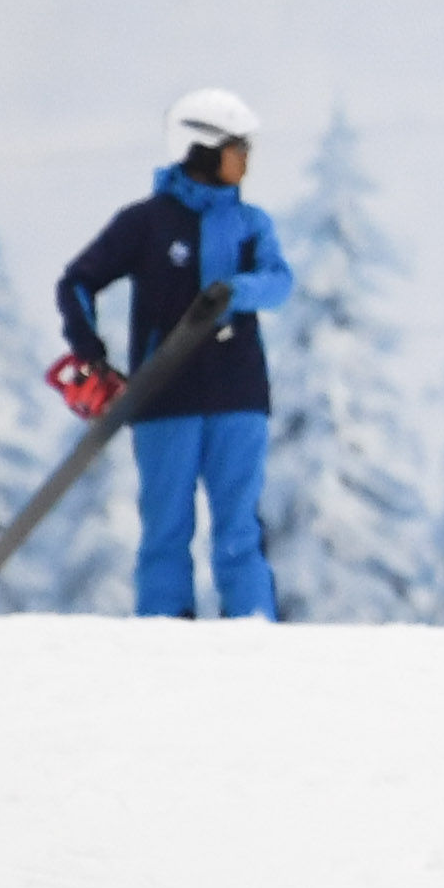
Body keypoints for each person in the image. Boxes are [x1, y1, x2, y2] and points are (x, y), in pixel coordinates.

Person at [54, 86, 294, 620]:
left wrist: (235, 292)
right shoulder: (145, 223)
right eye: (239, 147)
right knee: (166, 530)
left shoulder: (252, 224)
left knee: (239, 530)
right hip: (164, 402)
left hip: (239, 398)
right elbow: (77, 282)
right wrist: (89, 350)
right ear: (204, 148)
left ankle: (253, 637)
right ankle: (164, 641)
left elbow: (279, 282)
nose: (248, 160)